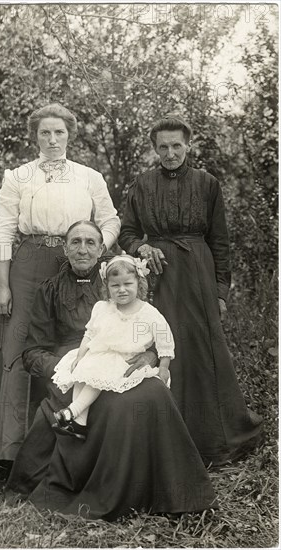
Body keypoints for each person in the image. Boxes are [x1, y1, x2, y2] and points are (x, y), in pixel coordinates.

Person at [5, 220, 218, 520]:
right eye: (75, 242)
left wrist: (150, 356)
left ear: (101, 248)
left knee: (155, 392)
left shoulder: (121, 278)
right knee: (111, 407)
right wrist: (68, 369)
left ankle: (169, 490)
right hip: (73, 370)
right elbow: (32, 352)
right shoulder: (49, 290)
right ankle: (106, 489)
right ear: (64, 249)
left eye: (90, 242)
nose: (82, 249)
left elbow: (149, 328)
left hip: (123, 364)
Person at [0, 104, 120, 473]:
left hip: (72, 263)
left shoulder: (89, 176)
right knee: (17, 349)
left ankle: (64, 444)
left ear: (70, 135)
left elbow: (110, 221)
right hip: (28, 264)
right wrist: (2, 286)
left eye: (59, 132)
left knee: (69, 346)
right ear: (35, 136)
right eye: (45, 133)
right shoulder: (18, 176)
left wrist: (92, 248)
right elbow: (3, 233)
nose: (52, 140)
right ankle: (9, 453)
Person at [119, 112, 263, 466]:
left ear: (188, 145)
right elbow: (126, 232)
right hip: (160, 276)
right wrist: (142, 247)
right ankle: (165, 433)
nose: (170, 153)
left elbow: (221, 241)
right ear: (155, 148)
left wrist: (220, 291)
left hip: (198, 273)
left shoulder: (207, 183)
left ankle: (214, 438)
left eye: (177, 146)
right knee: (162, 346)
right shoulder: (142, 183)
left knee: (201, 350)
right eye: (163, 147)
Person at [51, 254, 175, 439]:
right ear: (107, 287)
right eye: (115, 285)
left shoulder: (149, 312)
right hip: (100, 354)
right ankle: (79, 424)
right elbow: (89, 334)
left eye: (128, 284)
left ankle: (71, 411)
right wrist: (80, 356)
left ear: (139, 284)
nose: (122, 290)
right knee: (81, 371)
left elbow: (165, 340)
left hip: (126, 359)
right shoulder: (102, 307)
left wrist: (164, 367)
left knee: (98, 371)